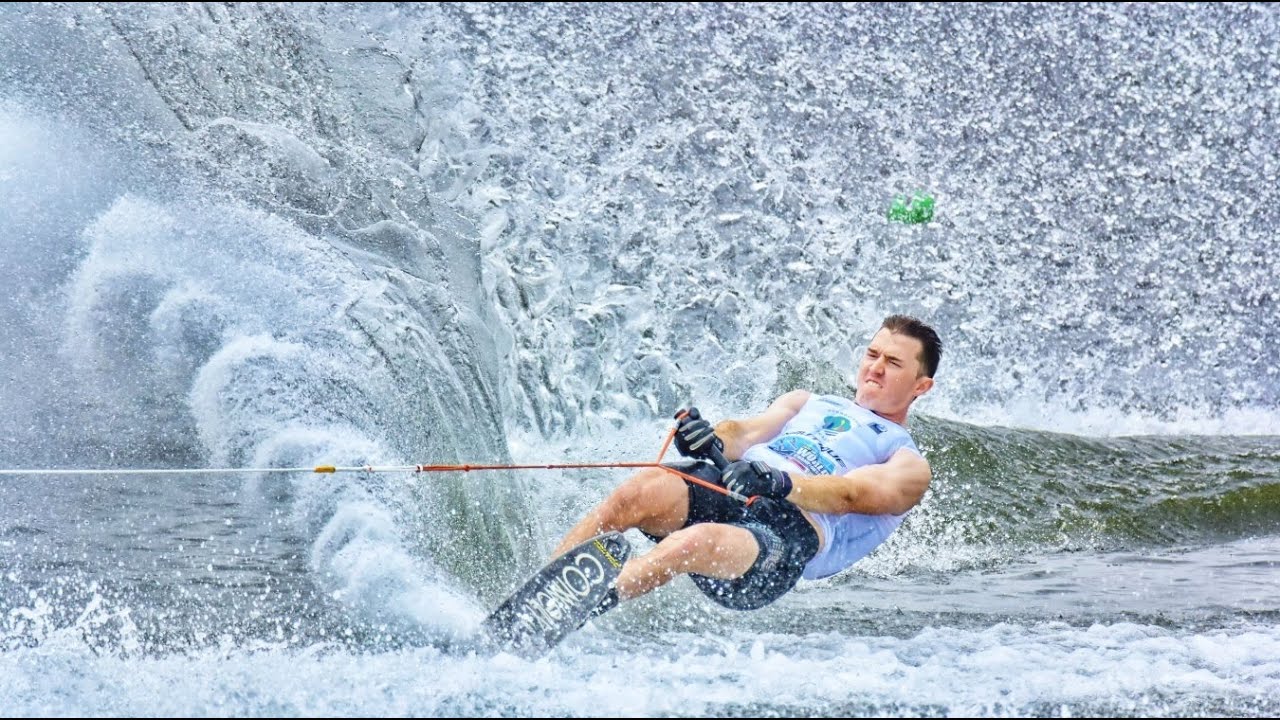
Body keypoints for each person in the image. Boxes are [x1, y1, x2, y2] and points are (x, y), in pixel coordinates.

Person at [551, 314, 942, 615]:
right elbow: (743, 434)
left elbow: (850, 493)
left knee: (694, 541)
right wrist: (709, 438)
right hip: (737, 485)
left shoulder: (906, 462)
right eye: (872, 355)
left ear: (920, 385)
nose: (875, 368)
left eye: (892, 363)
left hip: (785, 537)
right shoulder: (807, 402)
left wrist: (779, 483)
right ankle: (549, 584)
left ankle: (578, 606)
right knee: (641, 489)